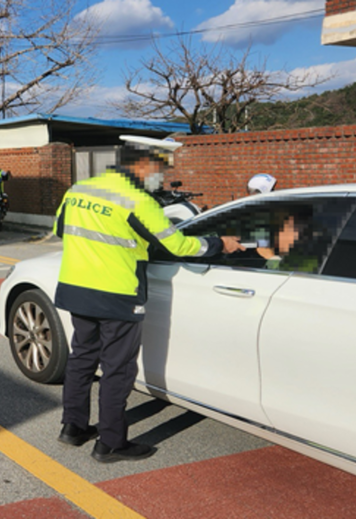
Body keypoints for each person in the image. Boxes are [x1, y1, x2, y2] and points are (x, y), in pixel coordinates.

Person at [54, 136, 244, 463]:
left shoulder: (79, 189)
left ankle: (72, 428)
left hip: (76, 288)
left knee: (82, 357)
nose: (161, 174)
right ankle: (111, 443)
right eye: (160, 167)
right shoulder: (137, 200)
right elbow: (179, 247)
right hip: (117, 296)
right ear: (143, 165)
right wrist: (219, 244)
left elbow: (61, 229)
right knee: (117, 368)